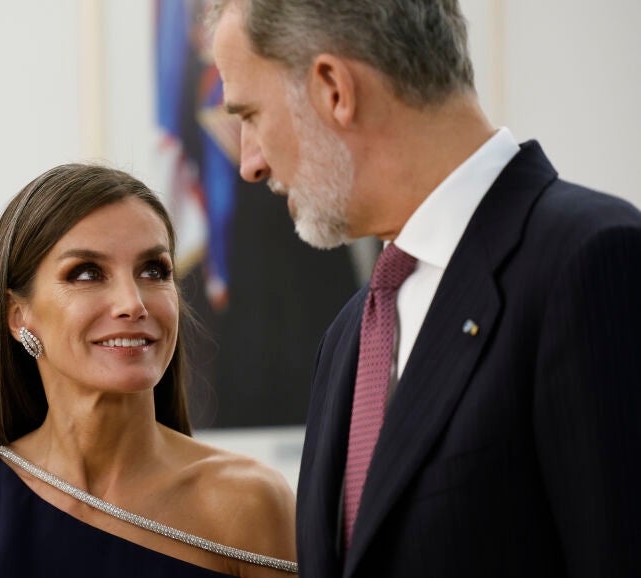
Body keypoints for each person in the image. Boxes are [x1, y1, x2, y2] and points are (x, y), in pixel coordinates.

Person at [208, 1, 641, 577]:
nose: (250, 164)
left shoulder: (592, 259)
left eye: (250, 115)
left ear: (333, 88)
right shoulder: (348, 336)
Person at [0, 164, 299, 577]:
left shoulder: (249, 501)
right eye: (87, 273)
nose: (133, 303)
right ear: (18, 315)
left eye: (154, 270)